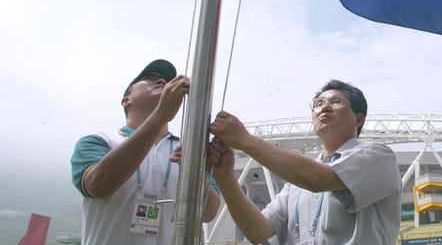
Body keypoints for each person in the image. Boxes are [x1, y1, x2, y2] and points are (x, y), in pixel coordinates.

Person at [208, 80, 401, 244]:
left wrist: (246, 140)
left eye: (336, 101)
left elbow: (318, 179)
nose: (324, 107)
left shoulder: (378, 157)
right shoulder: (295, 185)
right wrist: (225, 177)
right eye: (318, 103)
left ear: (358, 119)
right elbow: (258, 231)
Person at [71, 59, 220, 245]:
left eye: (165, 80)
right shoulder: (100, 141)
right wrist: (160, 116)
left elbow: (209, 212)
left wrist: (195, 172)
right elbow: (97, 186)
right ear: (126, 101)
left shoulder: (191, 149)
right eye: (151, 78)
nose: (162, 82)